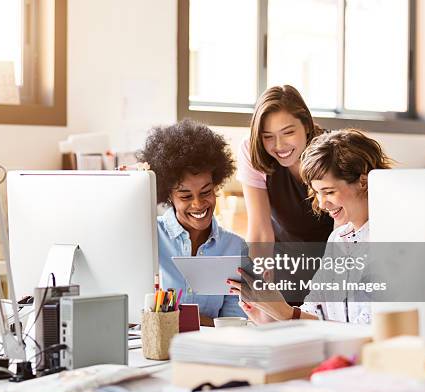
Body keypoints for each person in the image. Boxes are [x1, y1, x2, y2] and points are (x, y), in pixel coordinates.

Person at [229, 129, 393, 324]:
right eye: (317, 193)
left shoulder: (391, 240)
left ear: (363, 182)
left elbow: (367, 329)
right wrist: (269, 316)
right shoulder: (338, 239)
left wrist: (286, 314)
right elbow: (315, 310)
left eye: (329, 192)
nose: (322, 204)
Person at [137, 119, 247, 325]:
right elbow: (133, 312)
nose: (198, 204)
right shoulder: (148, 236)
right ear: (169, 196)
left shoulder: (234, 247)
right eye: (186, 196)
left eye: (206, 192)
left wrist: (175, 319)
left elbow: (234, 322)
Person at [237, 85, 334, 244]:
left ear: (307, 125)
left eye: (288, 132)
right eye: (268, 136)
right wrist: (258, 267)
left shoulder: (333, 150)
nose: (279, 145)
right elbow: (260, 232)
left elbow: (346, 231)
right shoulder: (252, 149)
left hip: (333, 255)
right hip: (282, 257)